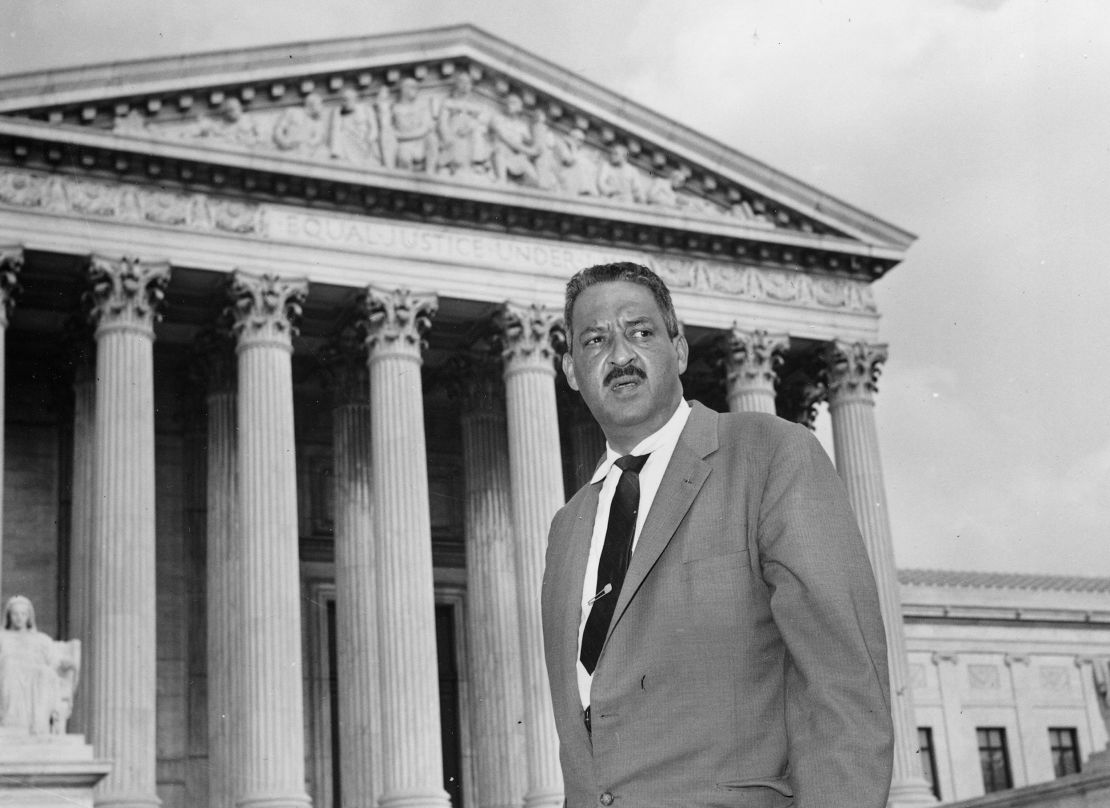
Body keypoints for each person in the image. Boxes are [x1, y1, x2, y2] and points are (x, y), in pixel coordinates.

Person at [542, 262, 893, 807]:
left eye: (641, 331)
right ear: (570, 369)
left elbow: (844, 687)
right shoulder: (568, 528)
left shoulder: (770, 455)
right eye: (595, 340)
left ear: (679, 349)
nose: (620, 356)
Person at [0, 595, 66, 734]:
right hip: (8, 673)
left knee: (44, 673)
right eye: (15, 614)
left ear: (29, 617)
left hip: (35, 677)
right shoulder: (2, 637)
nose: (19, 617)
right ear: (9, 615)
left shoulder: (41, 639)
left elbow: (55, 660)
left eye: (23, 614)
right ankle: (12, 721)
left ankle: (39, 724)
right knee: (10, 666)